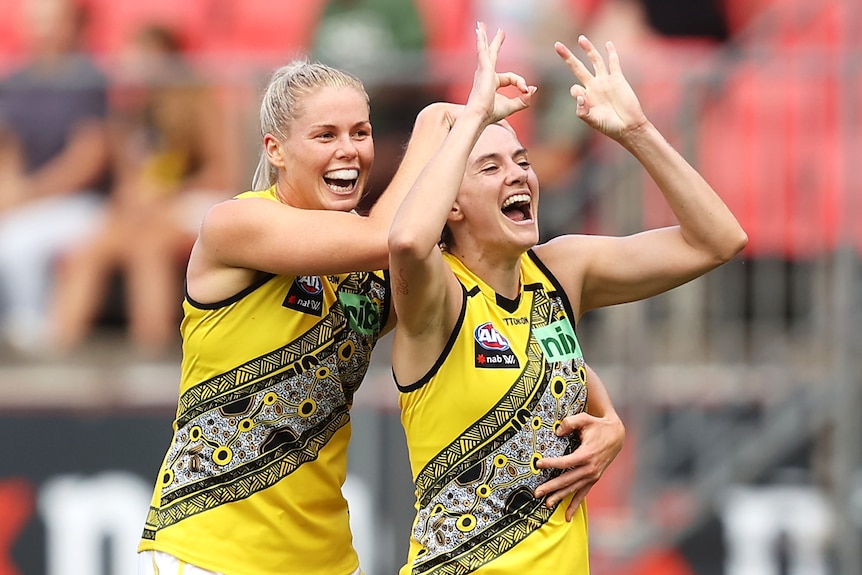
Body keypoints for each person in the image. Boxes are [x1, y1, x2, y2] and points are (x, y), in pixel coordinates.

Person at [135, 57, 624, 575]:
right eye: (325, 135)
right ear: (275, 149)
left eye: (360, 132)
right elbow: (385, 238)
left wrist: (608, 414)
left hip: (326, 561)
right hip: (213, 553)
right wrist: (432, 130)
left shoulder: (375, 274)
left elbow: (525, 342)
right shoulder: (235, 223)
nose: (348, 150)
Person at [388, 23, 747, 574]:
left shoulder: (562, 269)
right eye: (490, 167)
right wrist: (473, 115)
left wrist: (637, 130)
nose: (520, 176)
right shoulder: (439, 294)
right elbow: (408, 240)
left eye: (523, 161)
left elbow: (718, 241)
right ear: (451, 208)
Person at [48, 23, 235, 357]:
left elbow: (222, 174)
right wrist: (134, 200)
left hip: (194, 204)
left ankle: (150, 351)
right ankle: (61, 350)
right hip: (146, 212)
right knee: (89, 251)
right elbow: (126, 183)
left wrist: (169, 194)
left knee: (149, 249)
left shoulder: (198, 102)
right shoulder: (126, 115)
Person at [0, 0, 110, 355]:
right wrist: (10, 191)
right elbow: (9, 150)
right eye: (37, 22)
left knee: (18, 242)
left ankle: (33, 340)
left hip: (83, 204)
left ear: (73, 26)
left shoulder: (89, 80)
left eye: (52, 22)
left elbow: (88, 160)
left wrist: (29, 193)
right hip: (32, 202)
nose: (43, 31)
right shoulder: (16, 81)